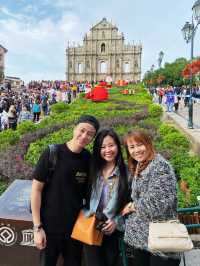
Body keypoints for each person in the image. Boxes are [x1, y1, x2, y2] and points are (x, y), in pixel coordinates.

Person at [30, 115, 100, 266]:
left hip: (75, 229)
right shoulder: (52, 153)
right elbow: (36, 190)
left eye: (90, 134)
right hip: (49, 228)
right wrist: (37, 228)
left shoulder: (88, 159)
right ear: (74, 128)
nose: (84, 136)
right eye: (82, 130)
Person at [122, 130, 180, 266]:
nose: (136, 150)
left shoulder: (160, 166)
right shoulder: (140, 165)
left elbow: (157, 203)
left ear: (148, 144)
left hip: (162, 239)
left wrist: (132, 206)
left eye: (140, 144)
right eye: (132, 147)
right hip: (141, 238)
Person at [83, 128, 129, 266]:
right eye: (103, 147)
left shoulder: (127, 173)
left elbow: (131, 204)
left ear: (118, 147)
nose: (107, 150)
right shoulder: (92, 169)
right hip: (90, 225)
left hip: (111, 229)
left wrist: (116, 221)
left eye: (111, 145)